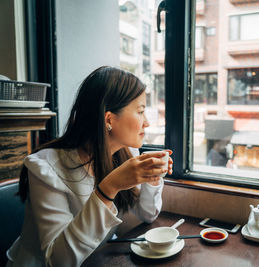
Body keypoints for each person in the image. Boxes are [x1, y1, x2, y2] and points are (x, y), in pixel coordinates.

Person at [6, 66, 173, 266]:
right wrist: (109, 188)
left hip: (97, 259)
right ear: (109, 119)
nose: (146, 123)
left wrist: (152, 179)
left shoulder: (126, 154)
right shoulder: (46, 168)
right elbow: (57, 260)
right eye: (140, 112)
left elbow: (148, 215)